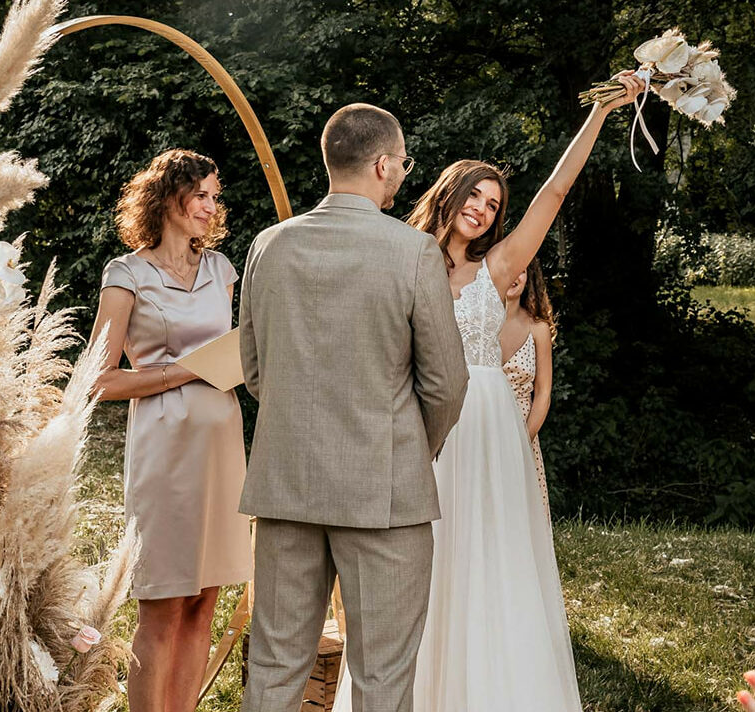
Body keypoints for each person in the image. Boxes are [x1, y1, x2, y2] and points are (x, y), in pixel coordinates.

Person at [335, 70, 646, 712]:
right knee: (423, 566)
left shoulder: (496, 269)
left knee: (491, 564)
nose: (483, 209)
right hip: (426, 425)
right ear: (448, 195)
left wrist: (601, 115)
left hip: (489, 429)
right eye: (474, 196)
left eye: (493, 204)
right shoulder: (401, 256)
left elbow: (555, 194)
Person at [238, 103, 469, 712]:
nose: (402, 174)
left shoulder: (268, 246)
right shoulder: (414, 252)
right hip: (384, 492)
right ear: (383, 164)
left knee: (273, 663)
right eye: (402, 164)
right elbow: (446, 383)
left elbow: (255, 370)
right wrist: (411, 447)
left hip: (286, 482)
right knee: (382, 674)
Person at [89, 149, 252, 712]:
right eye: (201, 194)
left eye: (215, 195)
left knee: (204, 601)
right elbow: (98, 380)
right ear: (168, 198)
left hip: (221, 445)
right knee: (162, 602)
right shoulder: (127, 273)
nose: (211, 206)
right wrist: (184, 370)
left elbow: (236, 352)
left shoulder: (222, 269)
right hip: (164, 449)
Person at [500, 257, 556, 518]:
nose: (514, 276)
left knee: (518, 511)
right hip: (477, 423)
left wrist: (522, 439)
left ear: (529, 277)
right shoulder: (478, 322)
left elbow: (543, 392)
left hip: (522, 427)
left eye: (520, 270)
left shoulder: (538, 328)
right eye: (509, 268)